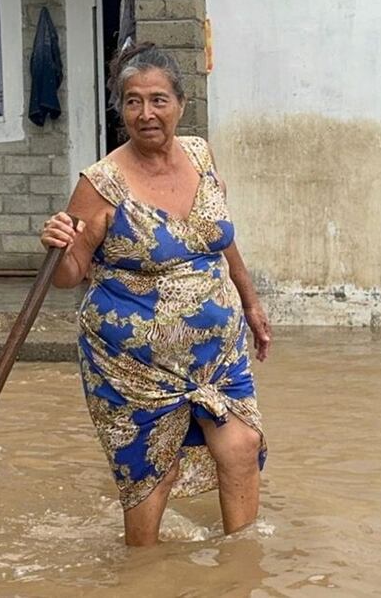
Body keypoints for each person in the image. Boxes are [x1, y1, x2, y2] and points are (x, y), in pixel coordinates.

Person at [40, 43, 271, 546]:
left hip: (216, 355)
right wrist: (60, 246)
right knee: (152, 474)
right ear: (120, 109)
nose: (146, 114)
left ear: (180, 104)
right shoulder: (101, 183)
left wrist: (250, 302)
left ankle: (242, 566)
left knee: (241, 445)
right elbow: (70, 273)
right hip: (133, 365)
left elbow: (220, 237)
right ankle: (141, 572)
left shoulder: (199, 154)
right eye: (133, 101)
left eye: (158, 100)